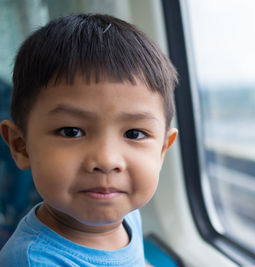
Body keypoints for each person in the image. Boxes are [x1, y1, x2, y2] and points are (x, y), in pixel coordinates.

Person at [0, 13, 178, 266]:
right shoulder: (36, 261)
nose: (106, 160)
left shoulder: (126, 213)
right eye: (71, 131)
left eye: (134, 134)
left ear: (162, 150)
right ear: (21, 146)